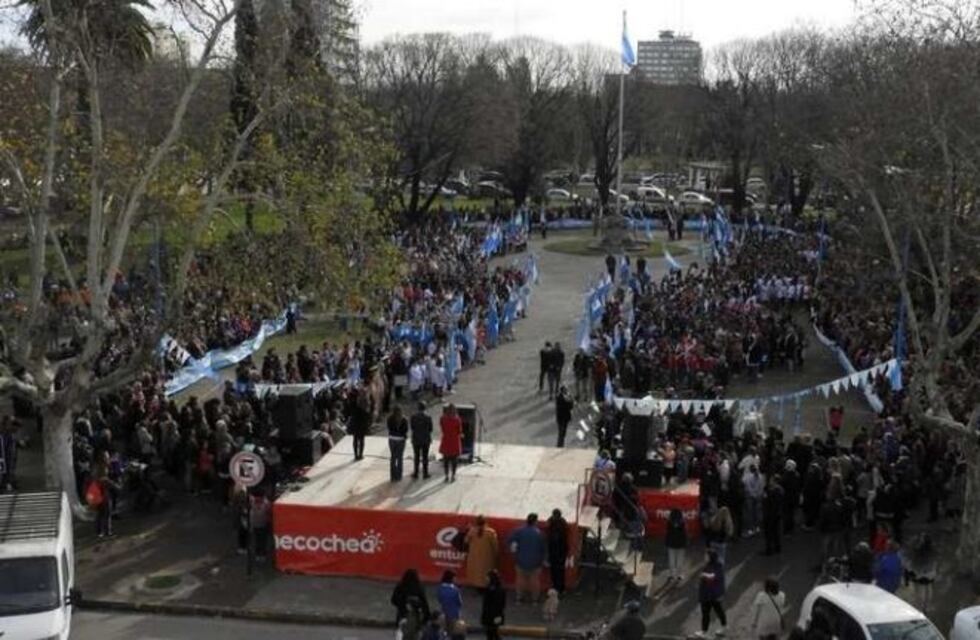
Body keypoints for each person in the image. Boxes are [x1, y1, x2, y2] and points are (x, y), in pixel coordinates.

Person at [507, 513, 546, 603]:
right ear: (535, 521)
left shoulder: (518, 531)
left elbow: (510, 542)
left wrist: (514, 553)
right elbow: (543, 549)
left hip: (520, 560)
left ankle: (519, 598)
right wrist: (542, 560)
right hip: (535, 562)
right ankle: (535, 600)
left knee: (520, 581)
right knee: (535, 582)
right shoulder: (539, 533)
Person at [696, 551, 727, 638]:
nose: (705, 557)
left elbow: (713, 577)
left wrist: (704, 575)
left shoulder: (717, 566)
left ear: (710, 557)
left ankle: (722, 627)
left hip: (712, 594)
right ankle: (705, 631)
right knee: (708, 612)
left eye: (706, 556)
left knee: (716, 611)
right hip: (709, 594)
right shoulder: (713, 565)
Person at [903, 534, 937, 613]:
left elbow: (913, 564)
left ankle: (919, 610)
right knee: (928, 590)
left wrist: (911, 573)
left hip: (921, 575)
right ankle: (927, 607)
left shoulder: (920, 551)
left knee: (920, 593)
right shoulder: (932, 550)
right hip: (930, 574)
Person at [464, 515, 499, 589]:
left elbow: (466, 541)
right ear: (485, 522)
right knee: (486, 573)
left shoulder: (472, 531)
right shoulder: (490, 532)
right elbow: (495, 546)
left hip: (474, 556)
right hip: (487, 557)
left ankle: (477, 587)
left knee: (476, 573)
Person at [546, 509, 569, 594]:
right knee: (560, 571)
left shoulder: (554, 524)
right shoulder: (563, 522)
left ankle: (556, 587)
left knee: (555, 571)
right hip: (561, 551)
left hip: (555, 551)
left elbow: (548, 527)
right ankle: (561, 588)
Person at [439, 404, 463, 483]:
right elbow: (459, 431)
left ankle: (446, 476)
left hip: (446, 440)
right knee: (454, 460)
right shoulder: (457, 419)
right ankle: (453, 476)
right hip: (454, 441)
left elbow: (442, 428)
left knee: (446, 460)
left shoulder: (443, 419)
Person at [480, 570, 506, 640]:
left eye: (487, 577)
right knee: (494, 632)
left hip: (491, 616)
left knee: (492, 633)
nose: (486, 579)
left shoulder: (490, 589)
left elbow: (489, 604)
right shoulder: (500, 588)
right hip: (497, 615)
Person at [410, 402, 434, 479]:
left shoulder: (413, 417)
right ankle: (425, 473)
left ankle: (416, 473)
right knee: (425, 456)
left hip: (416, 438)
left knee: (416, 456)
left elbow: (412, 427)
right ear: (425, 408)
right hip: (425, 439)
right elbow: (431, 429)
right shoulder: (428, 417)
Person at [762, 475, 784, 555]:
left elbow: (767, 501)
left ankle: (769, 550)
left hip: (770, 514)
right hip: (777, 514)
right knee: (776, 532)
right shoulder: (780, 490)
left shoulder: (773, 491)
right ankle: (777, 547)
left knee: (769, 533)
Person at [665, 508, 688, 582]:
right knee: (680, 561)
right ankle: (679, 575)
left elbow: (667, 534)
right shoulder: (683, 523)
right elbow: (685, 535)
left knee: (671, 560)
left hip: (671, 544)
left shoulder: (669, 523)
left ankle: (671, 575)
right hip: (681, 545)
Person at [388, 406, 409, 482]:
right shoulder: (404, 419)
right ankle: (399, 476)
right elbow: (406, 430)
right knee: (400, 457)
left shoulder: (390, 418)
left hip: (392, 439)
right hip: (400, 439)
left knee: (393, 457)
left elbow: (389, 428)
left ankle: (392, 476)